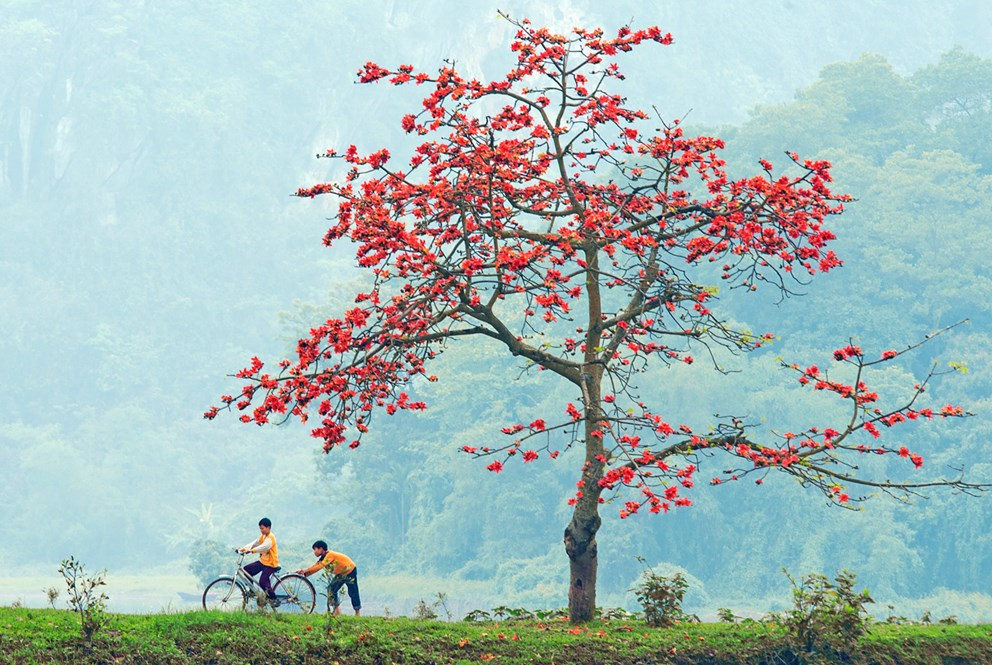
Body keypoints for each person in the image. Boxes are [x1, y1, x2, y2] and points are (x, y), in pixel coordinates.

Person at [295, 540, 361, 616]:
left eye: (315, 549)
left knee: (353, 591)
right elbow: (316, 565)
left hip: (350, 570)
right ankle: (336, 610)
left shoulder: (330, 555)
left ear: (321, 549)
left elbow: (320, 566)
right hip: (341, 573)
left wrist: (305, 571)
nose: (314, 552)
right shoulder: (324, 557)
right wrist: (304, 572)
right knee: (331, 589)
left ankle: (357, 612)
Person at [239, 517, 279, 600]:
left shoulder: (270, 538)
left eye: (262, 528)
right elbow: (254, 543)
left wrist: (252, 551)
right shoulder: (263, 537)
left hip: (270, 564)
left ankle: (273, 599)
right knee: (247, 570)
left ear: (268, 527)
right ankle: (252, 590)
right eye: (260, 529)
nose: (261, 530)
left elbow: (263, 546)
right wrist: (242, 549)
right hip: (263, 562)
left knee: (263, 581)